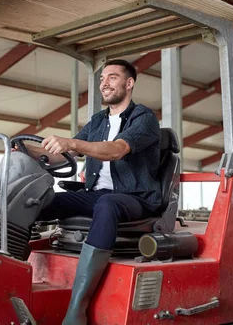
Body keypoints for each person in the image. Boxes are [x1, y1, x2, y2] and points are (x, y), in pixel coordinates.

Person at [26, 59, 161, 325]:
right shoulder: (98, 120)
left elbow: (117, 150)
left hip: (136, 198)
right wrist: (30, 151)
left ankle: (77, 308)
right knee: (40, 201)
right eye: (102, 79)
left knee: (108, 204)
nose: (104, 83)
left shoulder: (143, 118)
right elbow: (66, 153)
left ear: (129, 83)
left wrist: (73, 142)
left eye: (112, 77)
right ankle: (10, 279)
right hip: (98, 195)